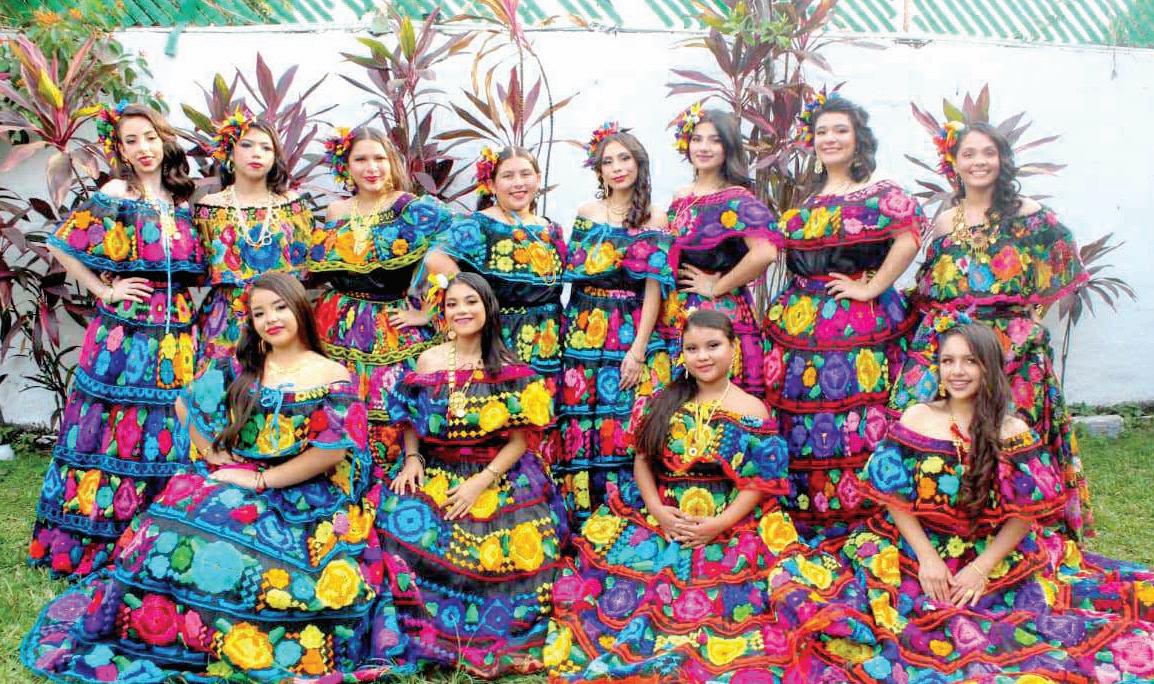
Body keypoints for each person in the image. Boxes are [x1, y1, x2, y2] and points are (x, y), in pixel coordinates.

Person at [21, 273, 408, 681]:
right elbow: (184, 404)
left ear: (300, 309)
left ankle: (234, 634)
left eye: (280, 308)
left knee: (265, 562)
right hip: (244, 475)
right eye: (259, 313)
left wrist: (262, 482)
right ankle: (168, 630)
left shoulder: (332, 374)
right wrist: (215, 457)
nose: (271, 319)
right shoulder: (244, 364)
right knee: (169, 526)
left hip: (307, 495)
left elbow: (331, 452)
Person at [812, 321, 1154, 682]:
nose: (957, 371)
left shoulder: (1013, 430)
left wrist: (981, 569)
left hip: (990, 551)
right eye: (948, 361)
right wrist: (928, 559)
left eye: (970, 361)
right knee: (903, 619)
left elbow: (1025, 513)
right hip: (913, 546)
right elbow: (892, 495)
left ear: (989, 367)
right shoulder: (918, 417)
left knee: (1012, 626)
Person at [546, 309, 847, 682]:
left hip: (730, 520)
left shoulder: (751, 409)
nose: (702, 356)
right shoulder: (662, 401)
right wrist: (658, 510)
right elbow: (642, 462)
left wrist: (718, 524)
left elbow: (759, 482)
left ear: (733, 348)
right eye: (692, 348)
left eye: (713, 346)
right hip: (662, 516)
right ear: (682, 354)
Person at [890, 121, 1093, 540]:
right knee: (928, 423)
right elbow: (931, 288)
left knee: (1012, 433)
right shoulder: (945, 222)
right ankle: (950, 524)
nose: (978, 162)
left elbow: (1060, 268)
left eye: (988, 153)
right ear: (953, 163)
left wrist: (1030, 322)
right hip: (952, 346)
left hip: (1011, 351)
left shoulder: (1029, 215)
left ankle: (1018, 533)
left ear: (1002, 160)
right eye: (968, 154)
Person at [30, 102, 204, 578]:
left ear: (164, 140)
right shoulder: (115, 193)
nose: (143, 148)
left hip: (177, 330)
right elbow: (62, 245)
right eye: (131, 141)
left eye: (150, 137)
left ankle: (161, 531)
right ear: (121, 150)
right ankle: (103, 531)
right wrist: (105, 289)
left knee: (170, 423)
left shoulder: (182, 200)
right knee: (115, 427)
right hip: (124, 332)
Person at [377, 272, 568, 677]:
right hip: (436, 467)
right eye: (452, 304)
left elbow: (521, 440)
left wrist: (480, 483)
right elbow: (409, 418)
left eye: (470, 302)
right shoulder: (429, 360)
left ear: (487, 307)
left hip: (498, 474)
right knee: (401, 527)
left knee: (498, 553)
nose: (461, 311)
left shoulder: (510, 367)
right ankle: (417, 631)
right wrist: (412, 459)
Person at [763, 93, 924, 536]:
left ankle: (864, 516)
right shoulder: (810, 199)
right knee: (803, 422)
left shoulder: (879, 191)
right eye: (822, 132)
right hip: (799, 336)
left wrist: (871, 287)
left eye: (840, 130)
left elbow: (909, 236)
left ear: (858, 139)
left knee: (857, 419)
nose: (830, 139)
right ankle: (807, 513)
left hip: (859, 332)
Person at [309, 126, 453, 465]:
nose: (371, 168)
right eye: (361, 159)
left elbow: (448, 263)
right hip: (336, 324)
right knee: (339, 406)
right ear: (346, 166)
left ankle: (392, 475)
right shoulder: (336, 212)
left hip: (390, 325)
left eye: (379, 158)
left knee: (390, 405)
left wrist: (428, 312)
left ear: (392, 163)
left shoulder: (410, 208)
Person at [555, 123, 675, 525]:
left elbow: (654, 286)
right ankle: (583, 517)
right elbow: (574, 279)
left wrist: (638, 350)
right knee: (581, 419)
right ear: (599, 171)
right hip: (584, 329)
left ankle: (627, 514)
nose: (617, 168)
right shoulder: (586, 213)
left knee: (625, 421)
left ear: (639, 163)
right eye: (608, 162)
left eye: (624, 158)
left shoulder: (655, 216)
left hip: (630, 325)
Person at [658, 104, 778, 397]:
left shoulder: (736, 198)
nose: (704, 147)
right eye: (697, 139)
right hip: (678, 312)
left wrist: (717, 286)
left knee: (720, 400)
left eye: (715, 140)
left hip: (719, 313)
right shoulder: (681, 196)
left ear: (728, 148)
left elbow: (765, 252)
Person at [423, 146, 564, 378]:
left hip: (548, 340)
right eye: (508, 176)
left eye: (526, 174)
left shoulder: (550, 228)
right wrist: (470, 297)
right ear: (492, 184)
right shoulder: (479, 225)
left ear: (538, 179)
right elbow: (435, 258)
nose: (518, 183)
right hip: (499, 337)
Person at [193, 109, 313, 368]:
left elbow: (307, 269)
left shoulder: (292, 205)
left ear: (274, 157)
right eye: (246, 145)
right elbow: (196, 266)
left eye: (266, 148)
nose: (256, 153)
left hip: (282, 316)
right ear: (229, 152)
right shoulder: (209, 207)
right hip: (228, 320)